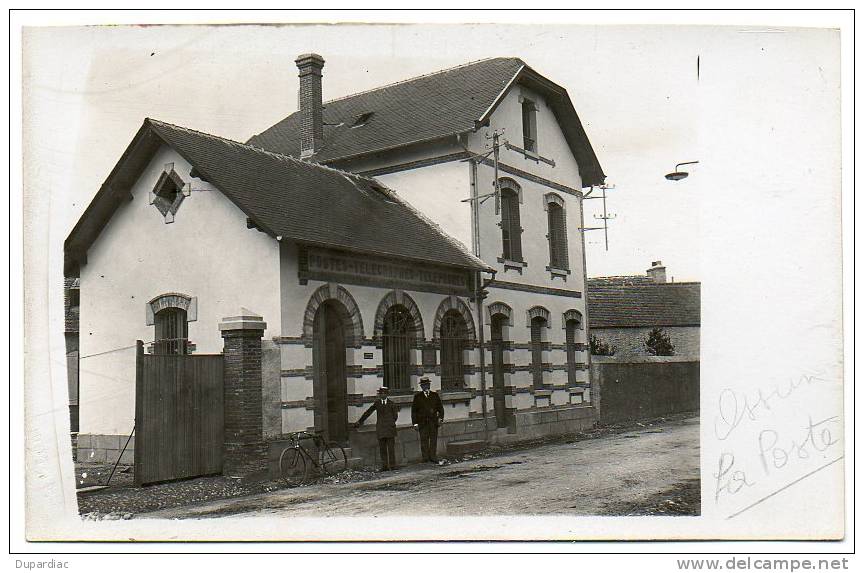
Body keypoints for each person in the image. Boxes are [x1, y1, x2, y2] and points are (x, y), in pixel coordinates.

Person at [354, 386, 399, 471]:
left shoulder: (392, 404)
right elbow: (368, 412)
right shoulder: (377, 403)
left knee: (391, 448)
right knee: (382, 449)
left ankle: (392, 466)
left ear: (387, 394)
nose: (383, 395)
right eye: (381, 393)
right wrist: (360, 421)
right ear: (379, 395)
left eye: (384, 393)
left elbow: (395, 416)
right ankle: (385, 466)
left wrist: (390, 423)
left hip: (390, 429)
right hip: (381, 429)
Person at [411, 377, 444, 464]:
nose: (425, 386)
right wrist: (415, 423)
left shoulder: (435, 395)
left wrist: (440, 419)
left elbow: (441, 409)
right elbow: (414, 411)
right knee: (424, 440)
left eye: (426, 384)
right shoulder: (417, 397)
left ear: (429, 385)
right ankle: (425, 458)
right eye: (423, 385)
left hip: (433, 423)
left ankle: (433, 457)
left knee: (433, 440)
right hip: (422, 423)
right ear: (421, 386)